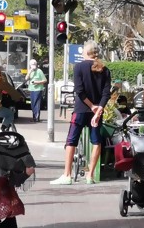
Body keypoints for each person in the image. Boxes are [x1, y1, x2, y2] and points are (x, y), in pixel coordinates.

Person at [50, 41, 111, 185]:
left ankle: (67, 175)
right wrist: (98, 109)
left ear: (86, 52)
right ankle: (90, 175)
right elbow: (106, 93)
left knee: (71, 140)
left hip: (81, 109)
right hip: (96, 113)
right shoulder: (105, 69)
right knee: (96, 141)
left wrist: (91, 106)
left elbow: (79, 90)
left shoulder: (79, 67)